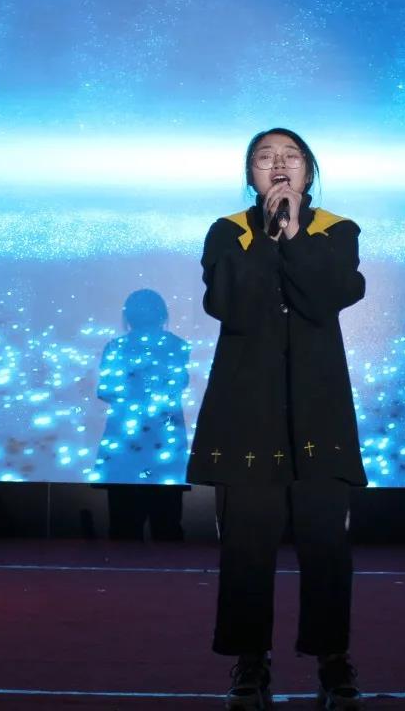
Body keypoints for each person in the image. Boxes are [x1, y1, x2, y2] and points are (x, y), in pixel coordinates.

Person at [186, 128, 367, 710]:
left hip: (319, 412)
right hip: (248, 413)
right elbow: (229, 304)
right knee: (246, 546)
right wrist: (266, 237)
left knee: (326, 546)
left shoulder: (335, 230)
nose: (279, 165)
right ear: (251, 175)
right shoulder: (229, 232)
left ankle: (332, 661)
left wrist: (293, 233)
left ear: (308, 172)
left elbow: (327, 296)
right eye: (265, 158)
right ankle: (249, 663)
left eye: (291, 157)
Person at [96, 289, 190, 540]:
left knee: (124, 524)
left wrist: (133, 392)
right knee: (167, 523)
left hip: (126, 440)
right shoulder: (177, 346)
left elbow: (105, 390)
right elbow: (179, 383)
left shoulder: (116, 347)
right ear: (163, 314)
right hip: (165, 436)